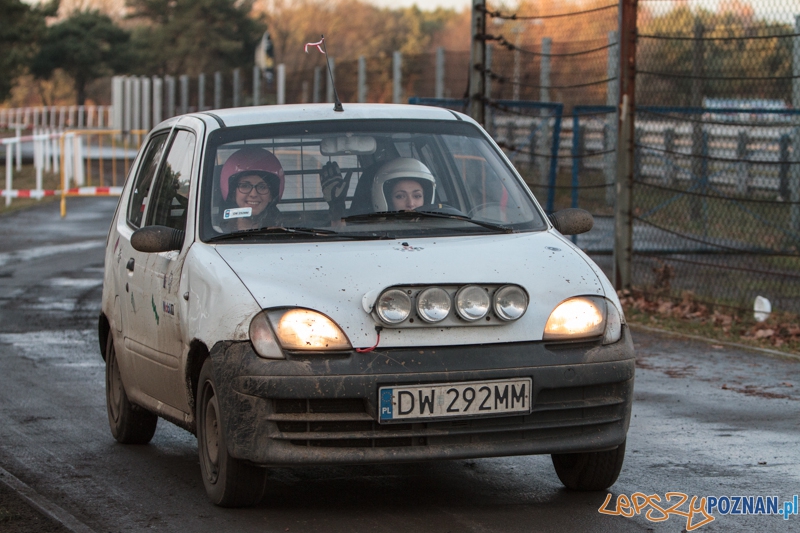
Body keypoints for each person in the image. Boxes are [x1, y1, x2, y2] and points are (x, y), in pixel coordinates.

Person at [320, 157, 437, 221]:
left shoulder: (442, 230)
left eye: (417, 196)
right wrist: (337, 207)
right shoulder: (367, 232)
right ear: (385, 198)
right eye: (400, 196)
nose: (411, 204)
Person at [218, 147, 284, 231]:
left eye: (262, 187)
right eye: (245, 186)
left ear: (271, 196)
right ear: (233, 193)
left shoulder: (284, 234)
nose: (253, 194)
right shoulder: (217, 232)